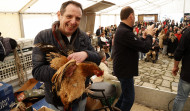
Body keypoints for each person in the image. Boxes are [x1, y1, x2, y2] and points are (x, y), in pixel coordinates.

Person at [32, 1, 101, 111]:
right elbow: (37, 71)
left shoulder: (83, 36)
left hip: (80, 96)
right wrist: (62, 72)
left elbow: (97, 58)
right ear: (59, 15)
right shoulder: (43, 37)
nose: (73, 22)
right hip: (57, 101)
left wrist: (86, 54)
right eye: (69, 16)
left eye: (78, 18)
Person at [112, 6, 155, 111]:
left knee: (125, 94)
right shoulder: (125, 31)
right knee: (129, 98)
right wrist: (149, 35)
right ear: (131, 16)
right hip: (125, 71)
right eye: (134, 16)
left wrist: (143, 38)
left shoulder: (123, 30)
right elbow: (144, 48)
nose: (135, 18)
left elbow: (133, 42)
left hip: (122, 69)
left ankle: (116, 108)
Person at [172, 27, 190, 111]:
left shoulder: (188, 32)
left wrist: (175, 67)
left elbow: (179, 52)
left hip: (187, 73)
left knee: (181, 98)